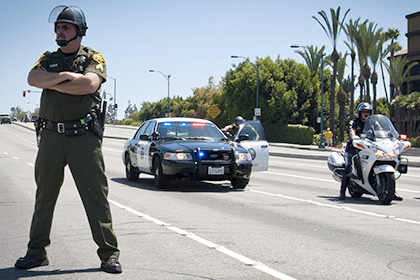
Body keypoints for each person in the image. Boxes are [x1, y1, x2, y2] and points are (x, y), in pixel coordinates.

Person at [15, 6, 122, 273]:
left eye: (65, 27)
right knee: (44, 196)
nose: (59, 31)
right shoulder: (47, 57)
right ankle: (36, 252)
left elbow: (88, 85)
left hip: (82, 138)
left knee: (95, 196)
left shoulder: (93, 57)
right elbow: (32, 78)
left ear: (79, 31)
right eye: (57, 27)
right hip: (50, 137)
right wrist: (64, 77)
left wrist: (52, 81)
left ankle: (109, 253)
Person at [339, 102, 402, 201]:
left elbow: (382, 130)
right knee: (348, 166)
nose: (366, 114)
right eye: (364, 112)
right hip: (355, 148)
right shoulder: (354, 122)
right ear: (360, 113)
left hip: (369, 146)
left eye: (368, 112)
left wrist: (390, 136)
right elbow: (352, 131)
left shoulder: (374, 122)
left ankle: (391, 192)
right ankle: (342, 192)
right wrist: (354, 137)